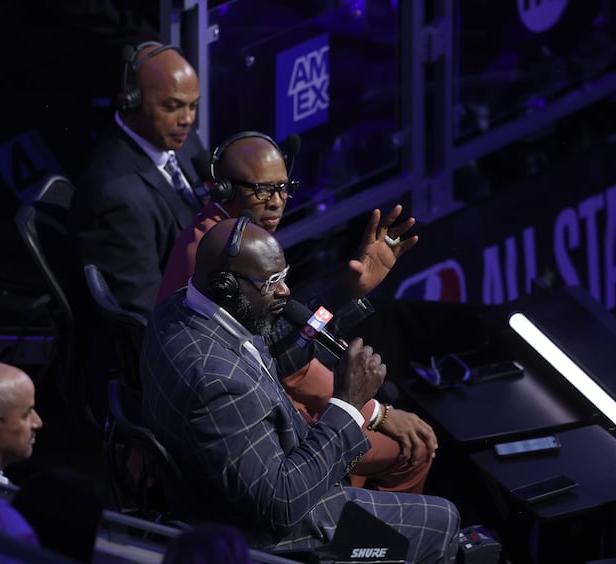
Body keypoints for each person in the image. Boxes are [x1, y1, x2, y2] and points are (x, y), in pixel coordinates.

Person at [140, 217, 460, 561]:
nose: (285, 291)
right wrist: (348, 404)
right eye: (272, 282)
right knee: (444, 519)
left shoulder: (181, 308)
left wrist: (346, 292)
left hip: (243, 476)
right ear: (227, 288)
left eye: (284, 276)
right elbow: (282, 505)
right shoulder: (217, 382)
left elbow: (278, 347)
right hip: (264, 529)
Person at [157, 131, 437, 494]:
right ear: (223, 189)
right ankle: (357, 541)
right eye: (263, 191)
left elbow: (290, 335)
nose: (277, 202)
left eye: (284, 188)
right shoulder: (223, 255)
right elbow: (288, 365)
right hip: (252, 423)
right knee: (412, 451)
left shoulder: (222, 232)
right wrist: (376, 414)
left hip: (255, 393)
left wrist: (348, 291)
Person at [67, 39, 205, 320]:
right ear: (131, 101)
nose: (187, 119)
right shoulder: (115, 195)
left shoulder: (179, 138)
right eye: (173, 107)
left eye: (193, 106)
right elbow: (148, 314)